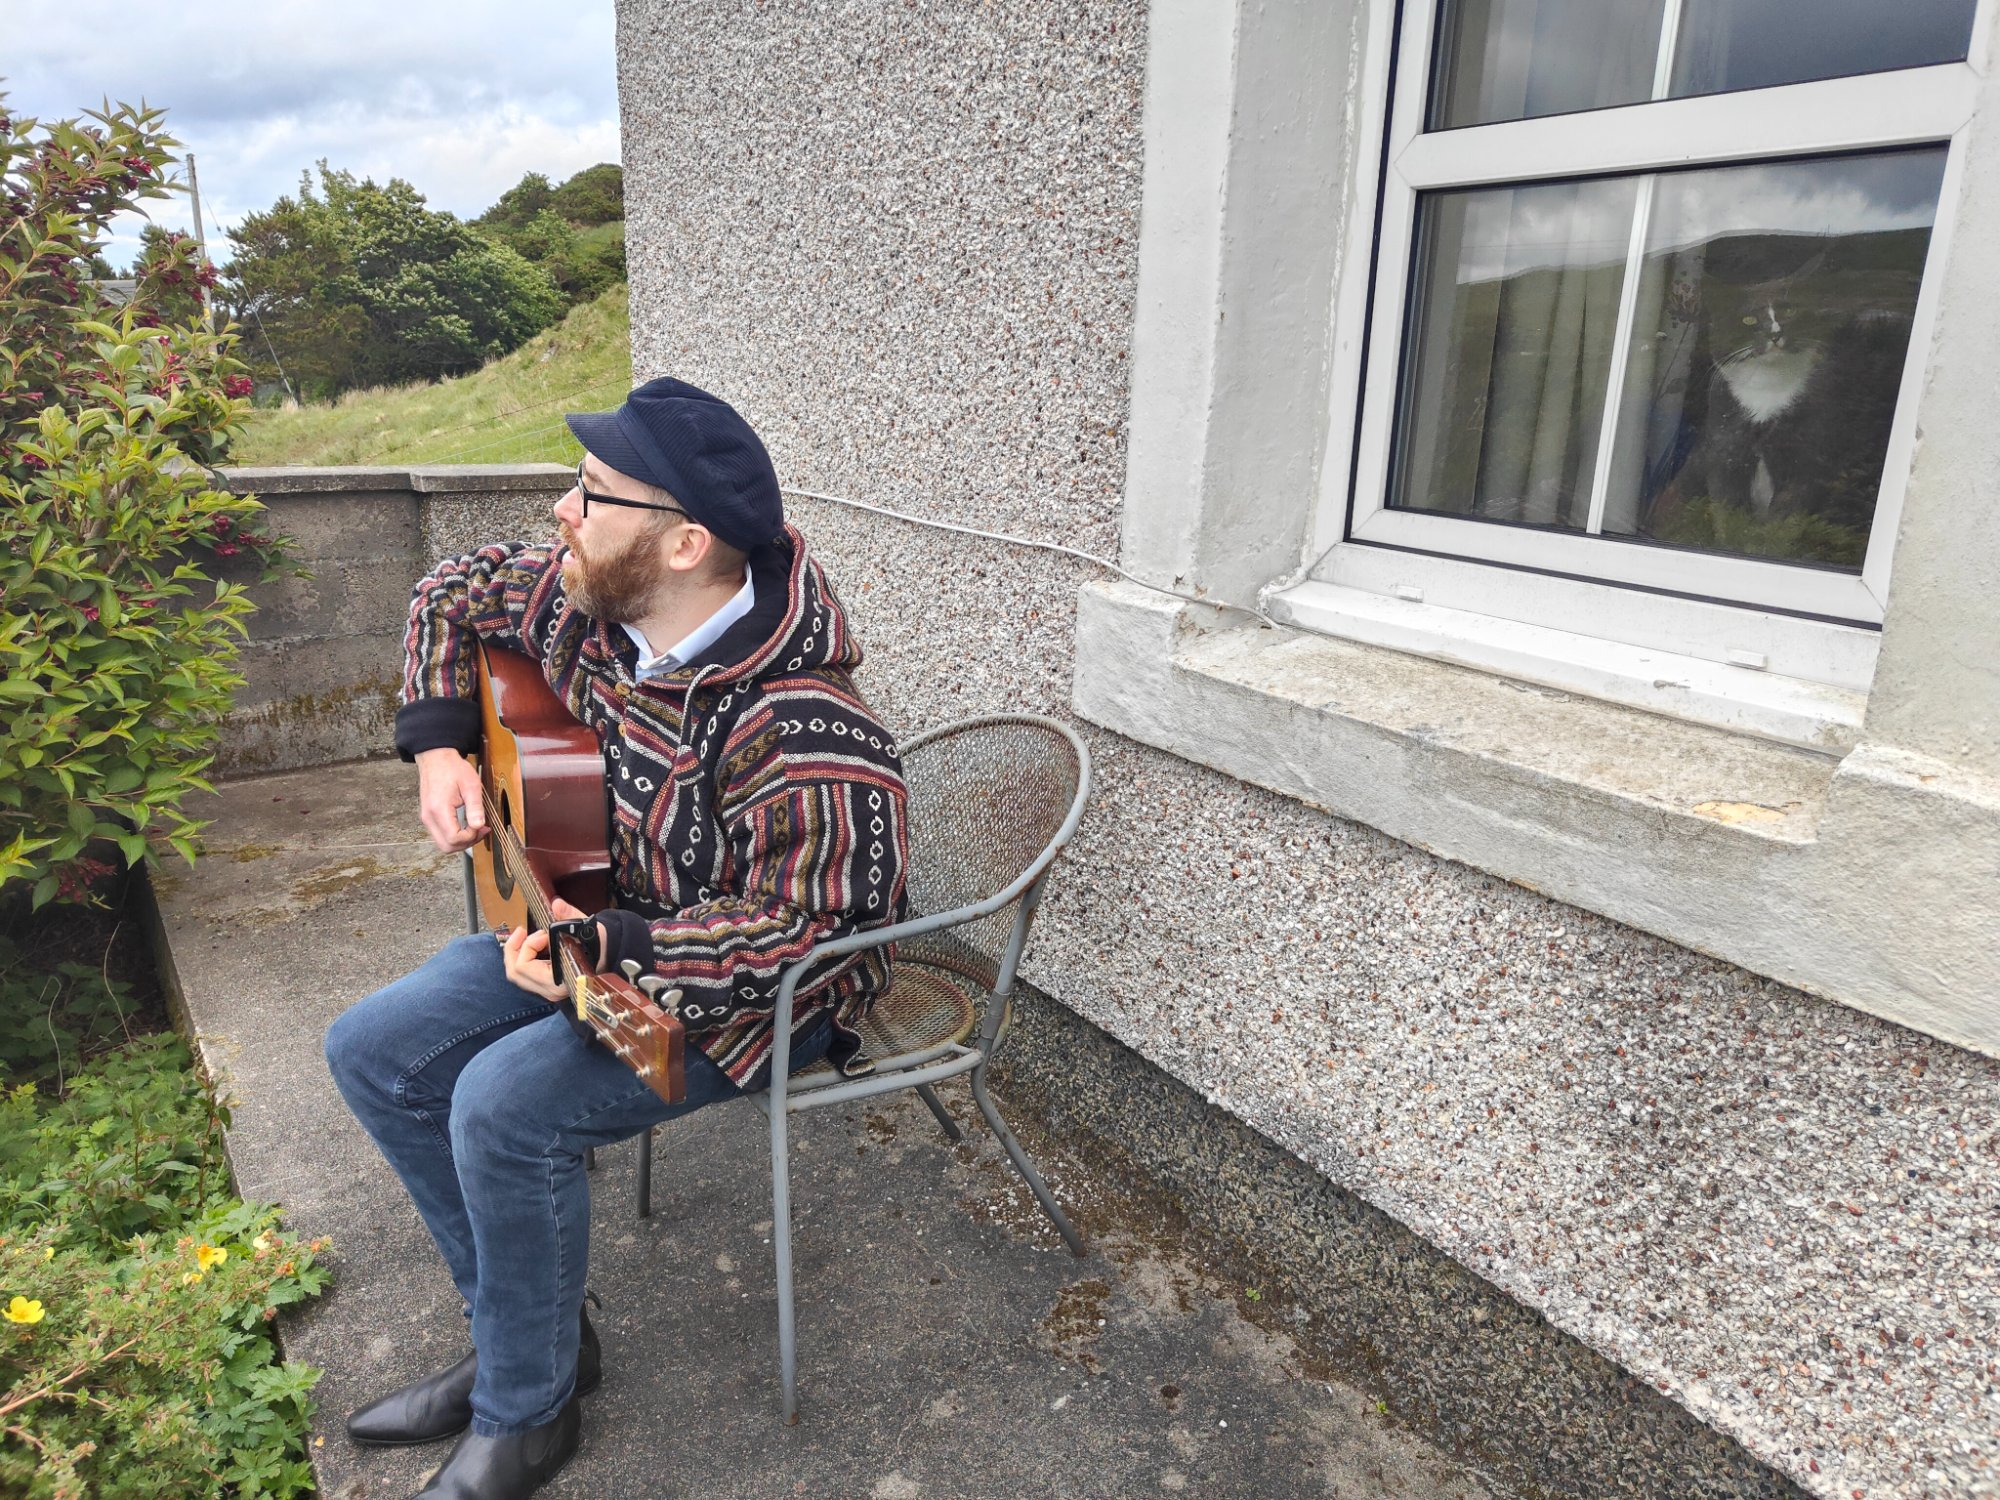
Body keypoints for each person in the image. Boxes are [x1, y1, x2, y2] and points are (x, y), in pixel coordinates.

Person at [323, 377, 910, 1500]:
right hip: (597, 932)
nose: (559, 511)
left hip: (762, 1012)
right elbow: (451, 589)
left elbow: (818, 936)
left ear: (683, 543)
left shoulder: (806, 731)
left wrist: (611, 948)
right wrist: (440, 742)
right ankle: (526, 1335)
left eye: (589, 494)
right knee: (374, 1049)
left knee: (502, 1104)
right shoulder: (595, 612)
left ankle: (527, 1412)